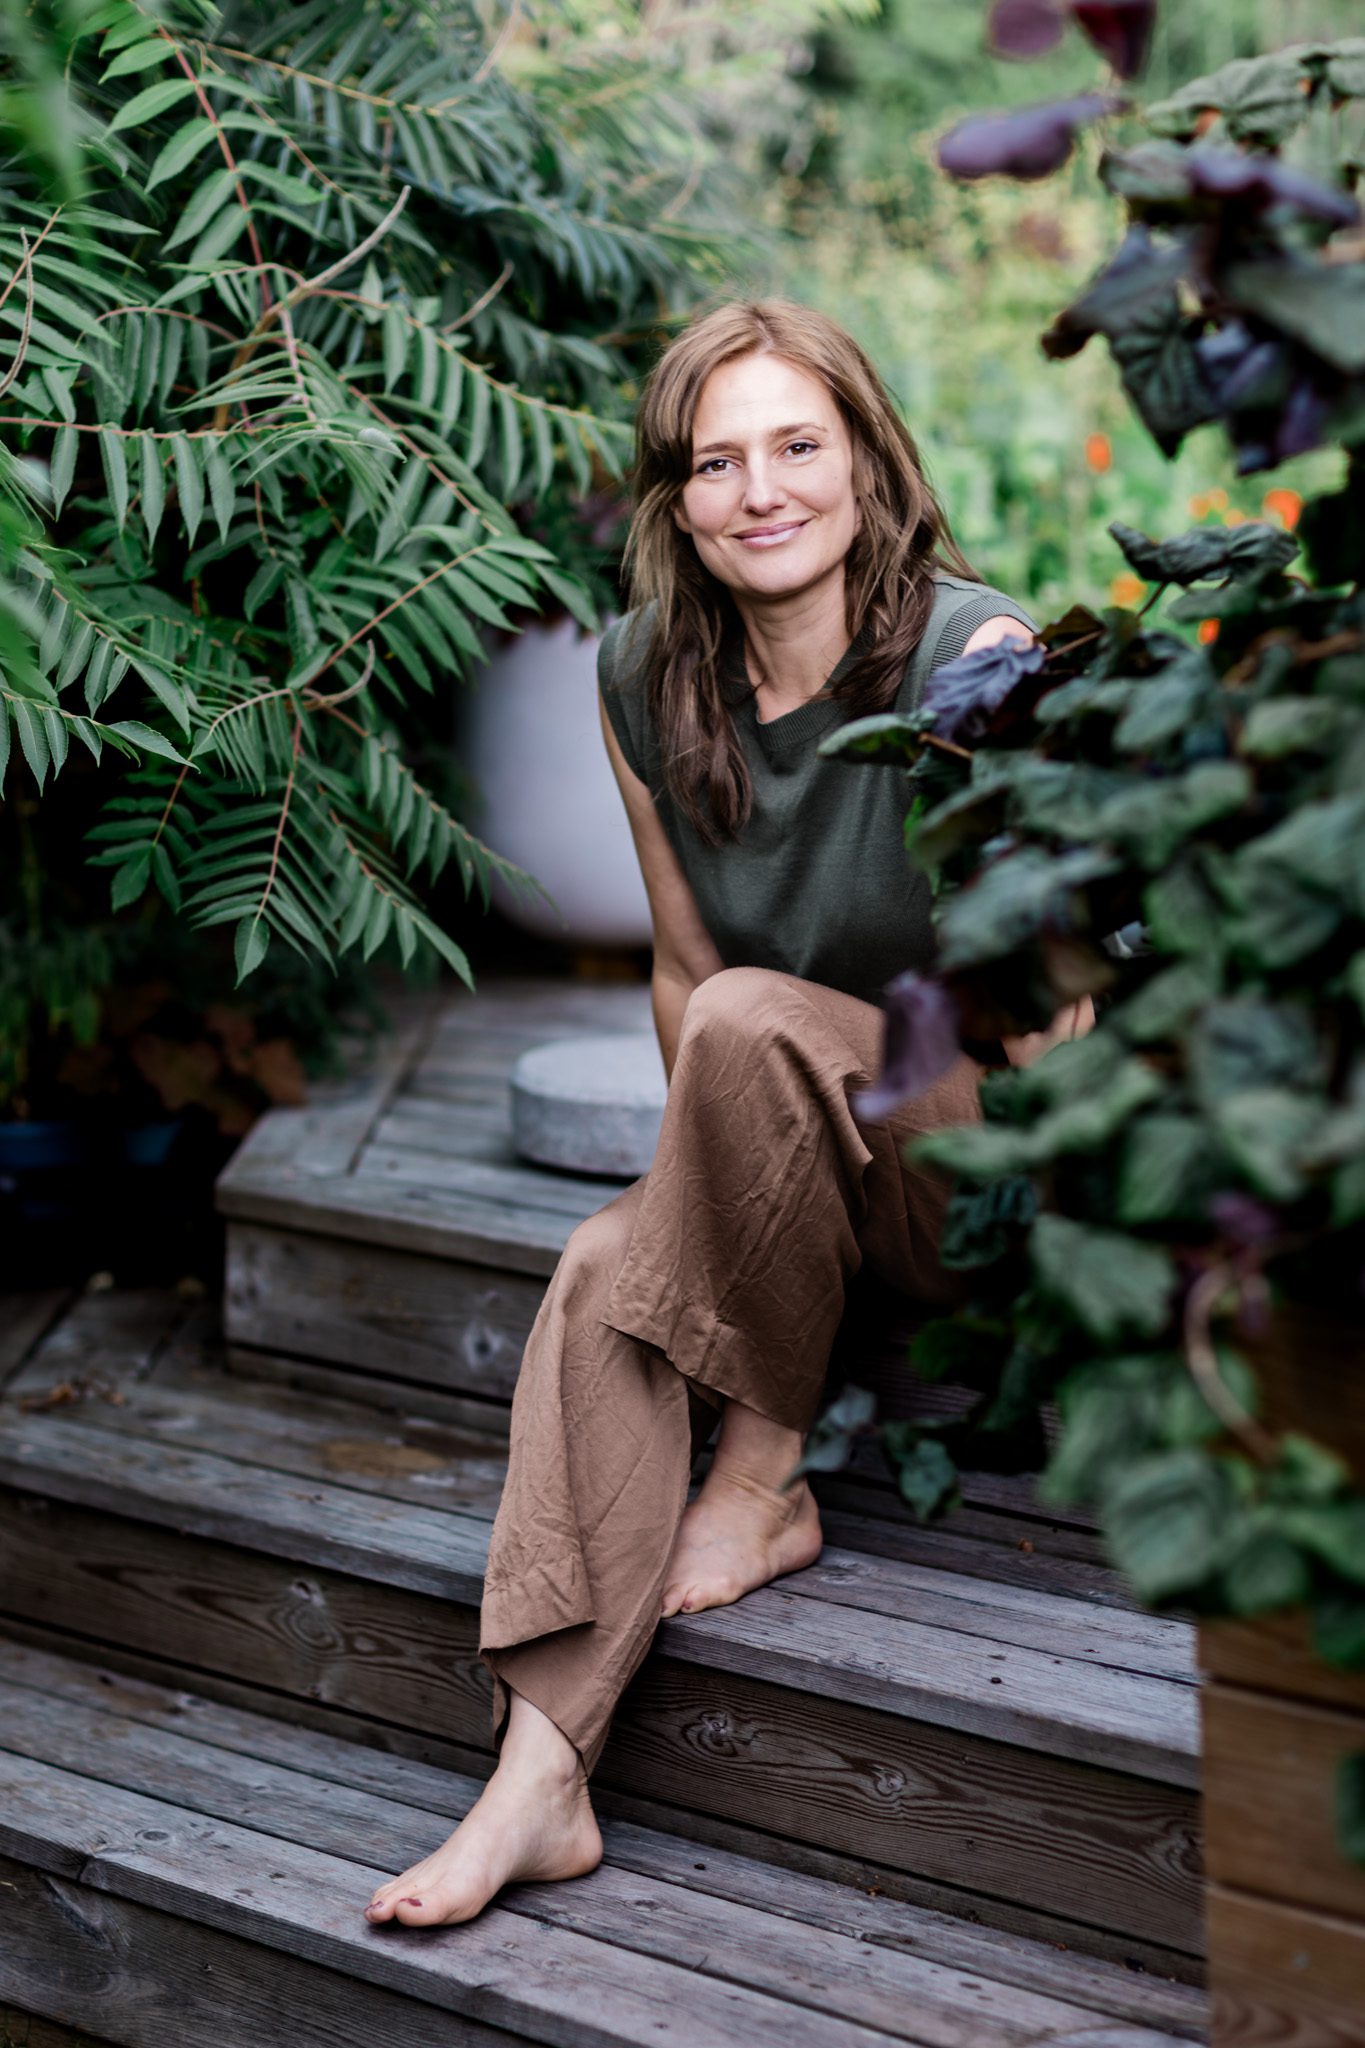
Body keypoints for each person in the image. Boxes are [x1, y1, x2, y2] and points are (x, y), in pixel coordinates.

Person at [363, 298, 1086, 1932]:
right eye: (716, 460)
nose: (761, 490)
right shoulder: (641, 677)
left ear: (864, 460)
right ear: (672, 499)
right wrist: (693, 1209)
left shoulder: (974, 662)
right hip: (792, 1163)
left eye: (796, 446)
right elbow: (683, 977)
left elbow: (1056, 1011)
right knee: (600, 1265)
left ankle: (761, 1476)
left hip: (975, 1183)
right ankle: (538, 1776)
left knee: (761, 1028)